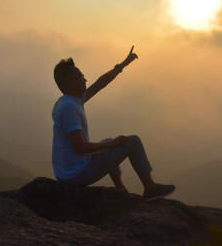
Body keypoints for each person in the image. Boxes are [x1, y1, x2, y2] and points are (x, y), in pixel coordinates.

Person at [51, 45, 175, 201]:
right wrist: (112, 144)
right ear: (69, 82)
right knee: (133, 142)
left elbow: (99, 84)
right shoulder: (69, 108)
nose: (85, 79)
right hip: (75, 174)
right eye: (81, 76)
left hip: (67, 171)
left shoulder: (70, 101)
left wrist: (122, 65)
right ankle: (150, 188)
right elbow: (80, 147)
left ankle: (119, 189)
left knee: (109, 142)